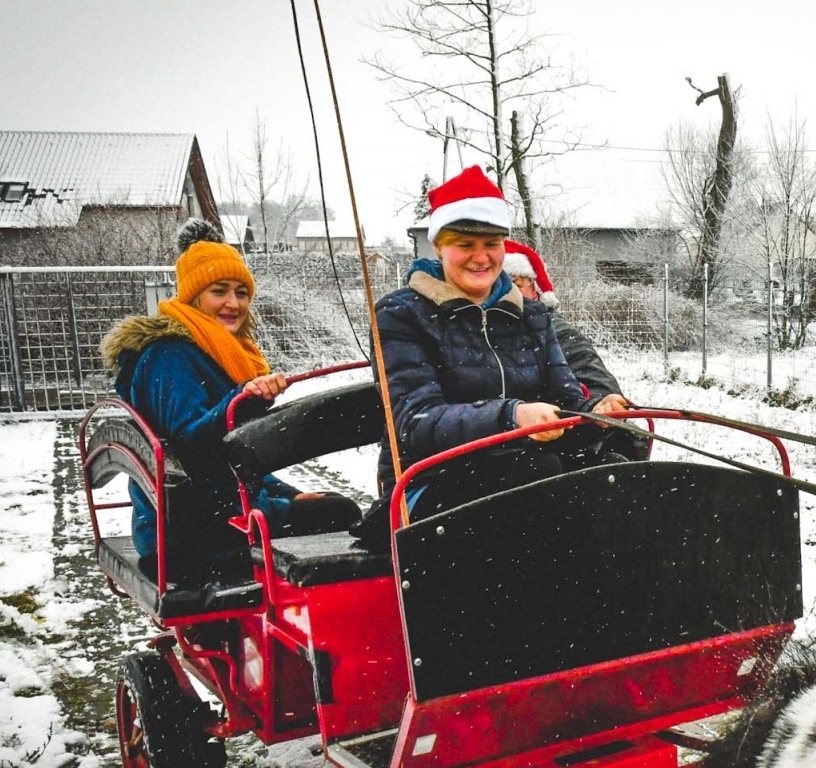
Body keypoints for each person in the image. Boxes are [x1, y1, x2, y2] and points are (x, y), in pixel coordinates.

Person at [360, 166, 626, 536]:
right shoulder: (401, 314)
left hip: (527, 470)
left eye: (491, 244)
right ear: (439, 246)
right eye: (465, 245)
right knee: (537, 477)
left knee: (615, 474)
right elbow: (416, 422)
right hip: (431, 482)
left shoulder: (531, 315)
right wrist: (512, 416)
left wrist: (594, 410)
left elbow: (564, 395)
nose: (480, 258)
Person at [101, 219, 357, 583]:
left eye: (241, 292)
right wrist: (242, 398)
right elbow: (194, 447)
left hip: (209, 511)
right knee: (342, 513)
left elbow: (236, 456)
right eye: (219, 291)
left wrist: (288, 495)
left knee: (324, 504)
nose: (233, 303)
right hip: (191, 531)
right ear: (192, 297)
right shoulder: (171, 356)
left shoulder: (214, 351)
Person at [501, 240, 646, 461]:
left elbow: (589, 373)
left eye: (516, 283)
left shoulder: (557, 332)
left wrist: (598, 404)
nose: (508, 293)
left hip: (552, 443)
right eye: (500, 284)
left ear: (535, 289)